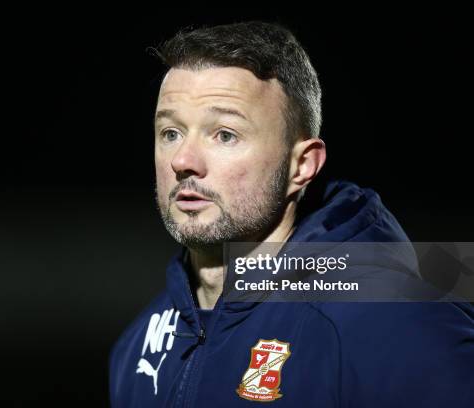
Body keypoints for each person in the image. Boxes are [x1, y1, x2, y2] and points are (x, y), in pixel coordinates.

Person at [109, 21, 473, 407]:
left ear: (301, 166)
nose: (183, 161)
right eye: (171, 133)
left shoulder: (396, 323)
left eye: (225, 134)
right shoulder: (137, 348)